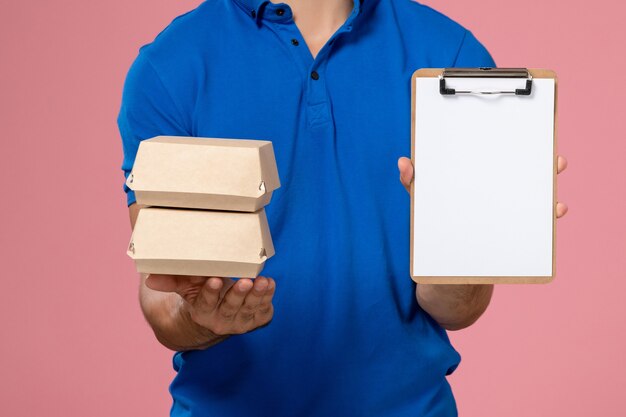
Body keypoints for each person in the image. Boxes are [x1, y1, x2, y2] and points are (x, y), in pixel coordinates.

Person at [118, 0, 568, 415]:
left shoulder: (451, 56)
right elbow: (161, 297)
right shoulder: (170, 66)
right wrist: (200, 318)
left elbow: (459, 310)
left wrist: (464, 242)